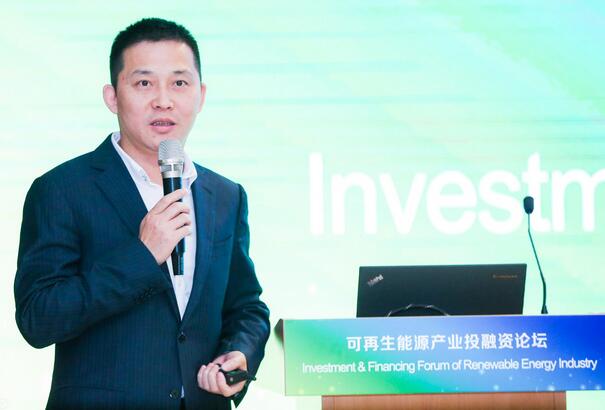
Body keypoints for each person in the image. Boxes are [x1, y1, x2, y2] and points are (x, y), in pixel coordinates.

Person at [14, 18, 270, 410]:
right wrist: (143, 255)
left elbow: (246, 306)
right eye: (144, 83)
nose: (163, 100)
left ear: (200, 95)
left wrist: (239, 354)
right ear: (112, 97)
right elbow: (39, 319)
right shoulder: (62, 189)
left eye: (179, 83)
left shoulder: (225, 195)